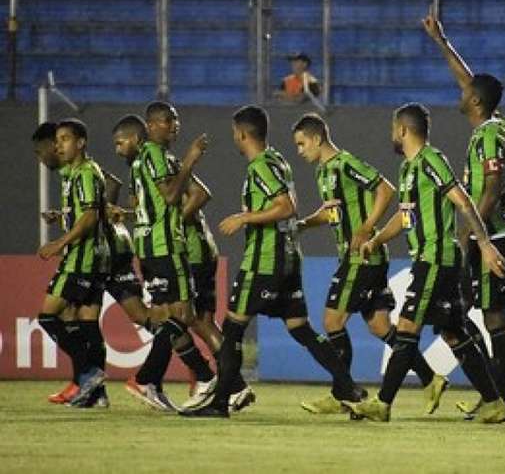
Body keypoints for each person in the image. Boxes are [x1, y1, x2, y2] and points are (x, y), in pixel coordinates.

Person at [182, 105, 363, 418]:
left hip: (264, 263)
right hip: (289, 260)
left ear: (242, 134)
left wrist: (244, 218)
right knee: (300, 328)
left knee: (232, 329)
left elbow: (286, 206)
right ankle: (348, 387)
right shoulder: (278, 159)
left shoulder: (260, 167)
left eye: (234, 136)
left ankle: (220, 402)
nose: (235, 140)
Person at [344, 103, 505, 423]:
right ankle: (495, 402)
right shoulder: (408, 168)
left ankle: (382, 403)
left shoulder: (431, 160)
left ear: (403, 130)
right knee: (454, 333)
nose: (392, 135)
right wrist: (377, 239)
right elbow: (405, 215)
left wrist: (486, 245)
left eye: (394, 129)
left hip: (435, 259)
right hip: (434, 260)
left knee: (407, 328)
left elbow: (462, 200)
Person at [292, 112, 449, 415]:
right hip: (363, 258)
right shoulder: (323, 172)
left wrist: (367, 228)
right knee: (380, 326)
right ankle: (432, 379)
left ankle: (344, 393)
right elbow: (332, 212)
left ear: (316, 138)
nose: (300, 151)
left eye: (301, 144)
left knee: (331, 322)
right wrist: (305, 224)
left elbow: (386, 189)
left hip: (361, 258)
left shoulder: (345, 163)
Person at [422, 13, 505, 419]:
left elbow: (493, 190)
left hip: (491, 237)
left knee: (493, 319)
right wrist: (442, 41)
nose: (460, 93)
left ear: (476, 102)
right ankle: (493, 393)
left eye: (466, 92)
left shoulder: (492, 134)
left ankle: (502, 401)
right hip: (483, 236)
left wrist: (475, 236)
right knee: (463, 314)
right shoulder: (487, 125)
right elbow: (468, 79)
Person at [122, 103, 216, 412]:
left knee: (167, 316)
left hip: (151, 247)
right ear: (151, 126)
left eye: (176, 119)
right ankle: (188, 377)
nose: (174, 125)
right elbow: (172, 196)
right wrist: (190, 159)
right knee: (184, 316)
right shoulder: (155, 155)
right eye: (167, 120)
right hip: (165, 247)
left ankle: (159, 380)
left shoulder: (144, 159)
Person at [36, 119, 110, 407]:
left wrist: (59, 242)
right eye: (57, 139)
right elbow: (86, 211)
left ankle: (88, 374)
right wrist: (63, 215)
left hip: (82, 258)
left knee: (48, 316)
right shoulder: (76, 174)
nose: (59, 145)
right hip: (93, 259)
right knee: (86, 324)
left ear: (81, 142)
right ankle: (97, 394)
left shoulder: (86, 174)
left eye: (65, 138)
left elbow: (90, 217)